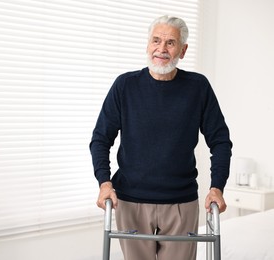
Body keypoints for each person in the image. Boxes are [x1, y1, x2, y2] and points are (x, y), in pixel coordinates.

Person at [89, 15, 232, 260]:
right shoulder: (125, 85)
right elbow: (101, 138)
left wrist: (217, 187)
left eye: (170, 43)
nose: (161, 49)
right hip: (131, 201)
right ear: (147, 45)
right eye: (156, 41)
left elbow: (220, 141)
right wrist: (104, 183)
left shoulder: (198, 87)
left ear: (183, 50)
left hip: (180, 202)